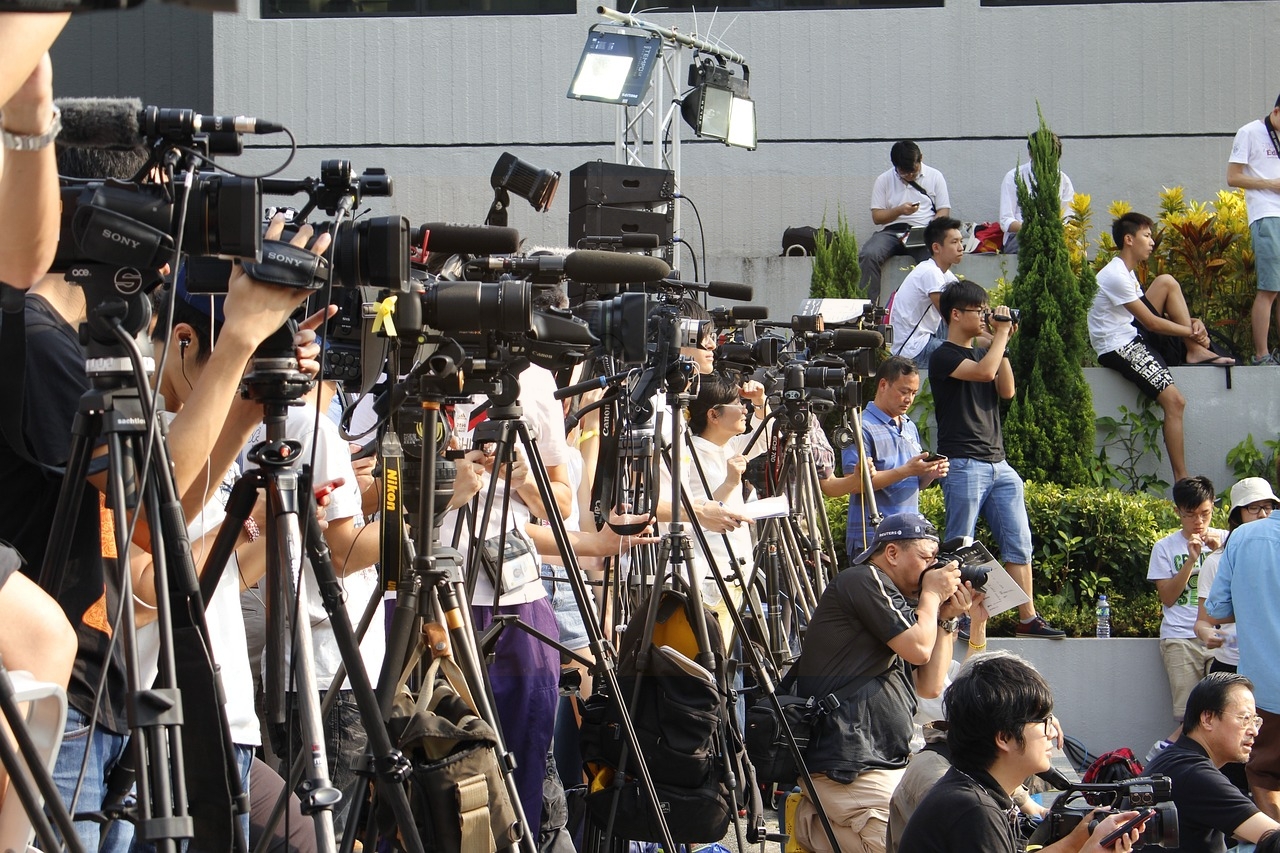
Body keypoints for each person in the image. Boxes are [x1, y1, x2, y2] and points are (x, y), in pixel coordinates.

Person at [789, 511, 971, 853]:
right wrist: (932, 596)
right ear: (892, 553)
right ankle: (812, 824)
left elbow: (930, 685)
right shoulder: (864, 579)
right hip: (851, 767)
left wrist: (946, 618)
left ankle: (815, 824)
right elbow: (918, 649)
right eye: (926, 559)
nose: (932, 570)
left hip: (884, 761)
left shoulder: (900, 604)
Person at [898, 654, 1145, 853]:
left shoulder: (974, 790)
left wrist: (1077, 840)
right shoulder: (973, 810)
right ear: (1004, 737)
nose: (1052, 733)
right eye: (1043, 721)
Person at [929, 280, 1064, 638]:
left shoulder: (986, 351)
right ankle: (953, 617)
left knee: (1019, 541)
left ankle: (1027, 617)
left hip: (998, 462)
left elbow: (1006, 389)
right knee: (961, 541)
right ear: (956, 315)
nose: (987, 316)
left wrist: (1000, 341)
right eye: (980, 311)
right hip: (963, 461)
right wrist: (1000, 335)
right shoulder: (944, 354)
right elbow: (984, 374)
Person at [1088, 212, 1231, 482]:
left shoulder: (1126, 273)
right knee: (1175, 402)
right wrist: (1193, 330)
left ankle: (1194, 349)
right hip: (1119, 345)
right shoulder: (1115, 276)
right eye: (1147, 236)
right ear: (1129, 239)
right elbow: (1152, 323)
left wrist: (1193, 324)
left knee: (1166, 281)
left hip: (1132, 332)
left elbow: (1153, 317)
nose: (1152, 242)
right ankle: (1182, 480)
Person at [823, 356, 948, 559]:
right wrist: (907, 470)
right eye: (904, 391)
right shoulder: (860, 426)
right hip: (874, 537)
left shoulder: (909, 425)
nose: (909, 399)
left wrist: (928, 474)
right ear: (883, 384)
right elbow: (854, 484)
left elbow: (911, 482)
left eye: (914, 393)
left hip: (908, 535)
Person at [1145, 672, 1280, 852]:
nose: (1254, 731)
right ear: (1207, 719)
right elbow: (1272, 836)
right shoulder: (1195, 773)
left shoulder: (1171, 758)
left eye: (1256, 721)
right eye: (1245, 718)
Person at [1205, 502, 1280, 820]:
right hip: (1262, 689)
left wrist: (1255, 603)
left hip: (1264, 689)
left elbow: (1217, 610)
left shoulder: (1244, 537)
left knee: (1263, 775)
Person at [1146, 476, 1223, 759]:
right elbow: (1167, 597)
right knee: (1190, 715)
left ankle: (1165, 752)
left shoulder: (1226, 540)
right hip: (1180, 637)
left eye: (1205, 514)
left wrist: (1218, 553)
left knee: (1220, 712)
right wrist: (1191, 561)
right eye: (1190, 515)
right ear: (1177, 511)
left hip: (1220, 637)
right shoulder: (1164, 547)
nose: (1199, 522)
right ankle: (1171, 758)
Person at [1195, 477, 1280, 673]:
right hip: (1230, 663)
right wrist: (1207, 633)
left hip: (1269, 663)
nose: (1262, 515)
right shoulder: (1217, 561)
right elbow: (1204, 618)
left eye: (1268, 507)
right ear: (1236, 515)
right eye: (1253, 508)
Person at [858, 140, 951, 306]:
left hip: (923, 230)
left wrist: (933, 228)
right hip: (892, 231)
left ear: (920, 159)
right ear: (895, 166)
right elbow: (877, 217)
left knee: (933, 261)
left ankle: (937, 309)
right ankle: (869, 309)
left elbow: (944, 211)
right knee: (869, 254)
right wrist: (899, 210)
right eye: (904, 173)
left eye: (913, 171)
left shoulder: (935, 176)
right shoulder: (884, 180)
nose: (909, 176)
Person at [1227, 95, 1280, 365]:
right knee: (1270, 288)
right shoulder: (1250, 132)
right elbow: (1232, 177)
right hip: (1267, 214)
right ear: (1276, 111)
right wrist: (1270, 183)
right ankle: (1261, 354)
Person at [887, 216, 963, 367]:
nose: (961, 247)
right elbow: (951, 318)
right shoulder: (930, 273)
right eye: (954, 242)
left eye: (961, 241)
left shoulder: (943, 273)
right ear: (936, 248)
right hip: (911, 350)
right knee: (966, 354)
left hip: (925, 336)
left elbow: (968, 304)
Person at [998, 132, 1076, 255]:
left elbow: (1068, 217)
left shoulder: (1063, 180)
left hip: (1055, 236)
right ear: (1030, 153)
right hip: (1021, 236)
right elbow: (1006, 221)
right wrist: (1035, 230)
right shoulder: (1013, 177)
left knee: (1075, 248)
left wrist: (1052, 231)